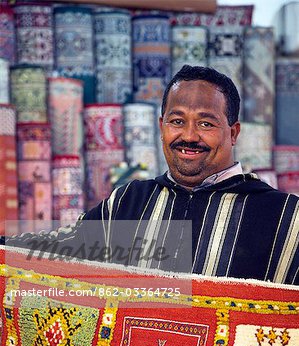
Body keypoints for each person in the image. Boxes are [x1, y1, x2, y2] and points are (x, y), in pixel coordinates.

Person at [3, 65, 298, 284]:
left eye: (206, 124)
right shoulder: (130, 202)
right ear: (161, 127)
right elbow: (56, 252)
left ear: (233, 133)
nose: (189, 136)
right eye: (177, 121)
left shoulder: (283, 217)